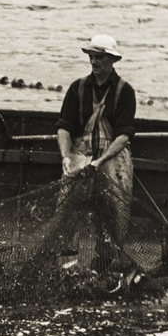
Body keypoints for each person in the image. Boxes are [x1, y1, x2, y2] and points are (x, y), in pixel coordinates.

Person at [56, 34, 136, 246]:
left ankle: (110, 255)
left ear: (112, 60)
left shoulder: (125, 91)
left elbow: (124, 136)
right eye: (91, 56)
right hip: (80, 155)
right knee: (67, 209)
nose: (93, 62)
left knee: (116, 211)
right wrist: (65, 156)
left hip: (113, 158)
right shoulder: (77, 88)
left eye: (99, 57)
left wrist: (100, 162)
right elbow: (64, 127)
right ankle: (66, 254)